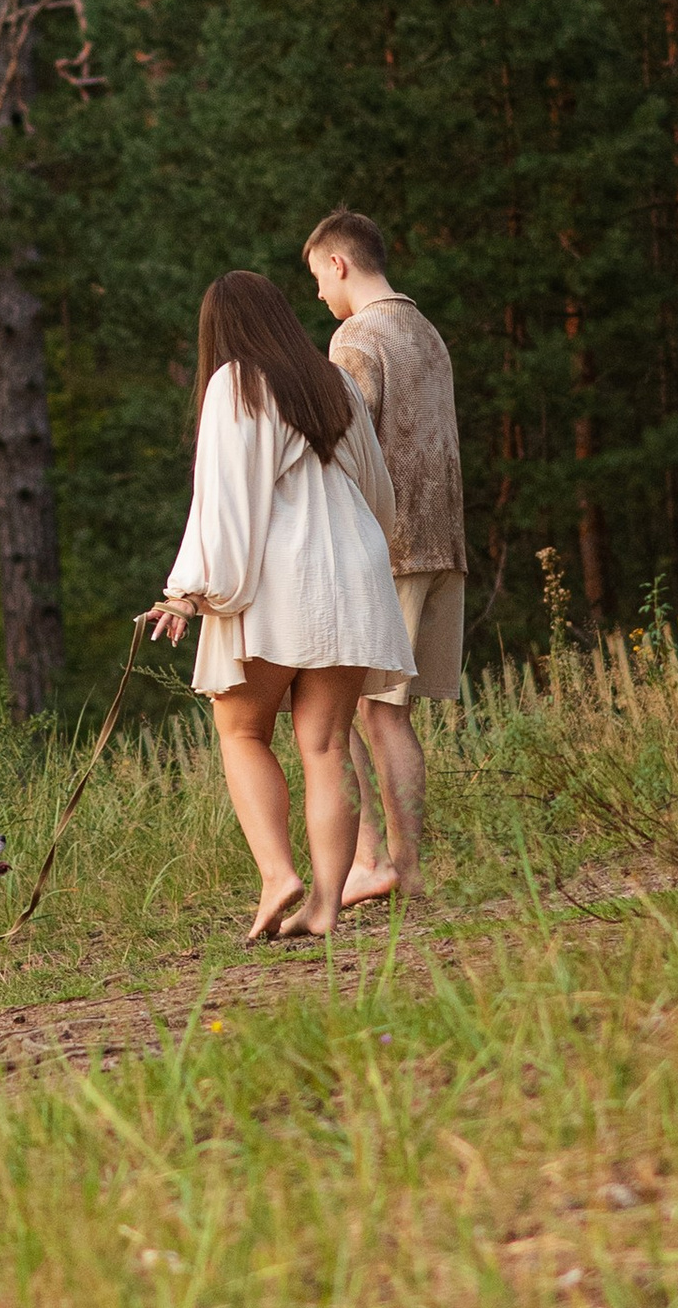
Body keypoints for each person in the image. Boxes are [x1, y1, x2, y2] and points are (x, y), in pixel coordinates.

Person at [147, 268, 412, 943]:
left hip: (279, 578)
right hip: (352, 571)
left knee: (241, 731)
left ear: (221, 327)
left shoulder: (234, 382)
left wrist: (190, 590)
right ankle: (325, 905)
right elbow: (377, 491)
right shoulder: (335, 380)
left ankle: (277, 876)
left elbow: (226, 501)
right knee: (325, 744)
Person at [303, 206, 465, 904]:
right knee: (390, 713)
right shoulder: (427, 333)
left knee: (361, 714)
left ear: (339, 264)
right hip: (445, 541)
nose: (317, 294)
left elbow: (341, 446)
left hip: (388, 548)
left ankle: (378, 861)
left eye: (316, 277)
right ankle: (408, 866)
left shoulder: (355, 338)